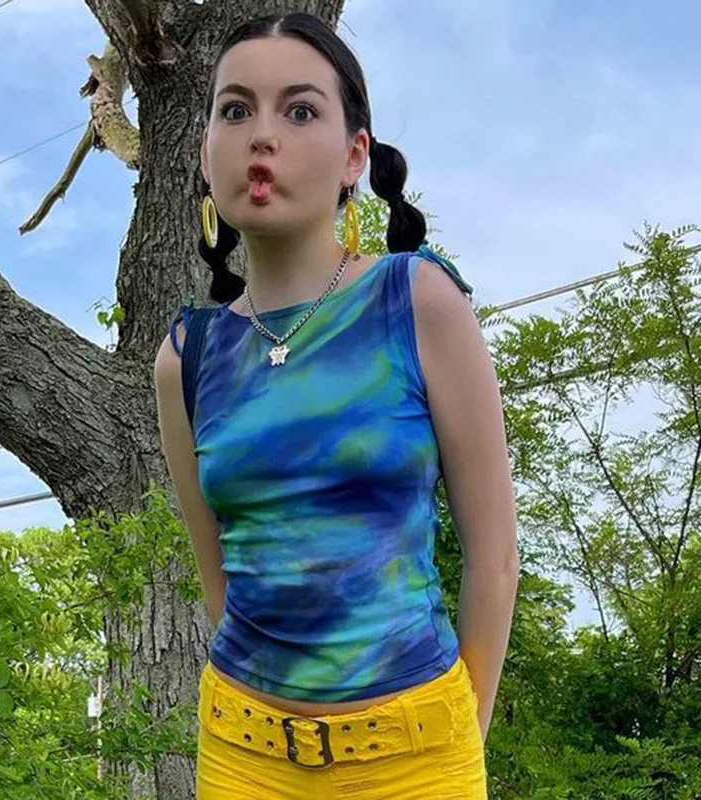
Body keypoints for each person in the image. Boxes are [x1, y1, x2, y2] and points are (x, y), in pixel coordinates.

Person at [154, 11, 519, 799]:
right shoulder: (186, 358)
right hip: (242, 758)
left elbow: (494, 557)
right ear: (207, 152)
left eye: (300, 110)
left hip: (418, 759)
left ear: (355, 154)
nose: (262, 135)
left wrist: (461, 741)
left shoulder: (417, 300)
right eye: (235, 110)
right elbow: (219, 583)